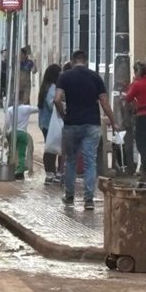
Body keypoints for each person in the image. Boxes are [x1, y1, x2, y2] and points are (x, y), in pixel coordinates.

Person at [54, 50, 117, 210]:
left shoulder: (65, 76)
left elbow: (57, 99)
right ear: (86, 61)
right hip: (92, 124)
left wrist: (63, 115)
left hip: (72, 124)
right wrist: (113, 121)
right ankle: (89, 199)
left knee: (71, 160)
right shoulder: (95, 77)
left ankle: (69, 196)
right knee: (90, 162)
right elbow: (104, 102)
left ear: (73, 60)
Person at [5, 97, 39, 181]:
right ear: (22, 100)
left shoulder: (10, 110)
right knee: (22, 154)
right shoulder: (27, 108)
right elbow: (38, 109)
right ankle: (20, 171)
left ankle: (11, 168)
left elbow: (7, 123)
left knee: (12, 152)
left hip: (12, 133)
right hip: (23, 133)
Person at [38, 64, 62, 183]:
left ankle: (50, 172)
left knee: (50, 147)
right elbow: (51, 103)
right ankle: (53, 173)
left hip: (44, 122)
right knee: (54, 147)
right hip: (51, 123)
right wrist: (62, 108)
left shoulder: (45, 86)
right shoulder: (53, 87)